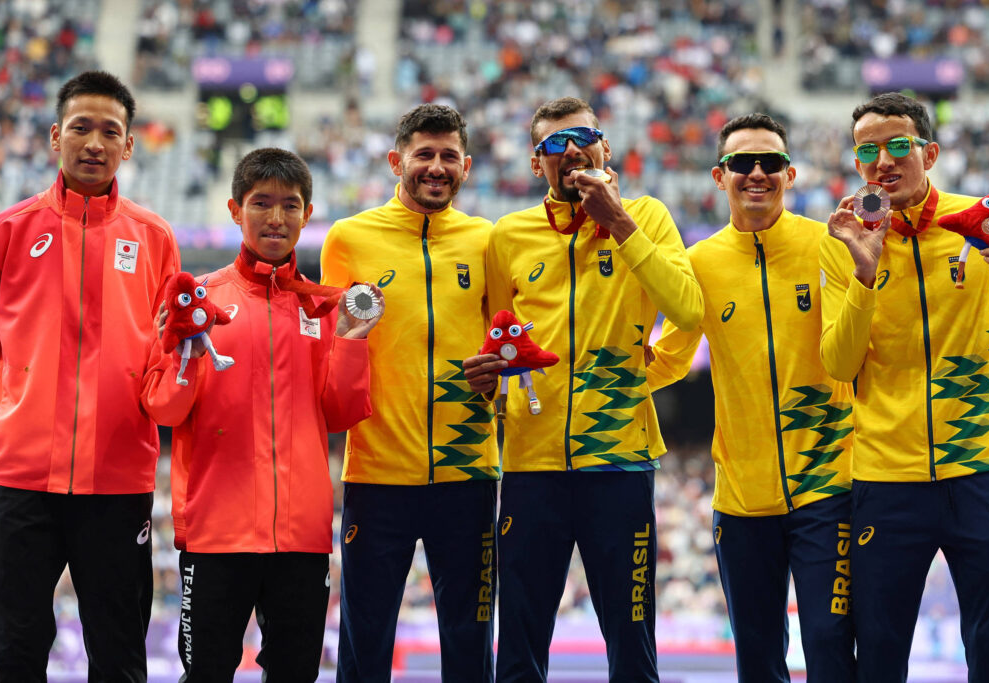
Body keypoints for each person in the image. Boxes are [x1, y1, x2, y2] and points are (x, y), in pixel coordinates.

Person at [463, 96, 703, 683]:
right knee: (518, 641)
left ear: (606, 147)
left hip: (618, 463)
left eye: (582, 137)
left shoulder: (647, 214)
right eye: (553, 144)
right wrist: (491, 382)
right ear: (535, 163)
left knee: (631, 641)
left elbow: (689, 310)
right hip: (529, 464)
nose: (570, 150)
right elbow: (494, 339)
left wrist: (619, 222)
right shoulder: (508, 235)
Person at [141, 147, 380, 680]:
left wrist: (351, 342)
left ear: (308, 214)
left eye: (290, 205)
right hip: (216, 534)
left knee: (296, 673)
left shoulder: (322, 307)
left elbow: (340, 414)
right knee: (205, 672)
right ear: (233, 210)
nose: (276, 218)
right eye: (261, 203)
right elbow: (162, 408)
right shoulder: (198, 303)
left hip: (303, 537)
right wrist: (185, 354)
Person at [646, 113, 855, 682]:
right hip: (739, 500)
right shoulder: (699, 263)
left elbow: (866, 345)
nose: (756, 173)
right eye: (742, 163)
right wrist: (596, 380)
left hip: (829, 486)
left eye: (770, 163)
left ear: (790, 173)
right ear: (720, 176)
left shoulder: (829, 244)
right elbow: (669, 357)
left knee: (831, 645)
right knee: (757, 660)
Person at [820, 91, 989, 682]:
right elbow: (838, 361)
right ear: (857, 164)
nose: (884, 159)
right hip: (886, 480)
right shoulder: (844, 236)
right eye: (868, 150)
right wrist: (864, 274)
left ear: (928, 153)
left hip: (979, 468)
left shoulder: (982, 225)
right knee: (879, 654)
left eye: (899, 144)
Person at [0, 70, 180, 680]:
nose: (94, 143)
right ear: (54, 136)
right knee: (11, 649)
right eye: (81, 128)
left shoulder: (154, 239)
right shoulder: (9, 231)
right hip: (17, 477)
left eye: (110, 131)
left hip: (118, 480)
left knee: (120, 654)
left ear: (130, 145)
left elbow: (169, 356)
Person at [319, 103, 498, 682]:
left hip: (469, 476)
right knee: (364, 643)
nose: (436, 167)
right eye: (424, 154)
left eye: (449, 156)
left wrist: (499, 378)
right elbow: (330, 347)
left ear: (467, 166)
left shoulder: (488, 240)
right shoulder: (348, 239)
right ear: (398, 160)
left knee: (470, 645)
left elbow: (509, 338)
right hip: (376, 476)